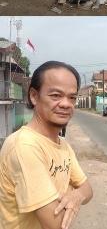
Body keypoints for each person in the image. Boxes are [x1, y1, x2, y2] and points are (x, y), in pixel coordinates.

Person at [0, 61, 93, 229]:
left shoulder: (62, 145)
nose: (66, 104)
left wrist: (77, 195)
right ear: (34, 96)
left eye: (72, 97)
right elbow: (56, 224)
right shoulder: (24, 146)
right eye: (56, 95)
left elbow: (87, 189)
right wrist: (77, 194)